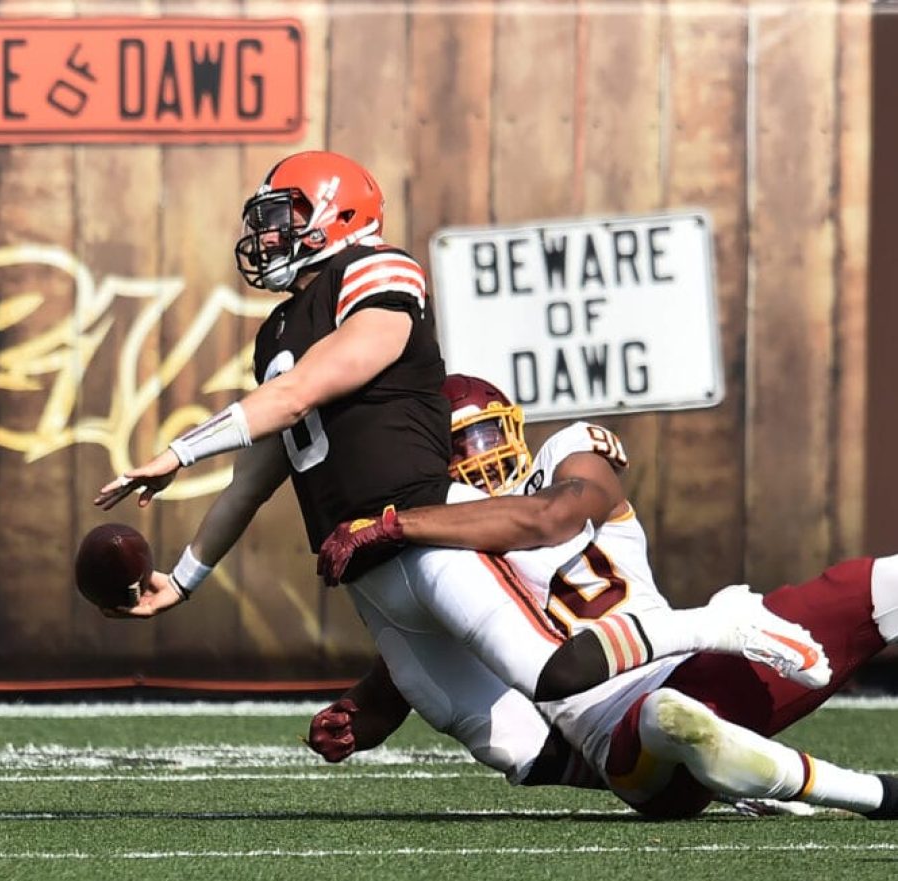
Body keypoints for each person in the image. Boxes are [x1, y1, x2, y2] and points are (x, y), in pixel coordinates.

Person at [95, 150, 825, 713]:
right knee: (511, 748)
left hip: (424, 526)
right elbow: (258, 472)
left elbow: (302, 394)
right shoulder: (280, 327)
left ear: (337, 216)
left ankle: (718, 622)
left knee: (547, 672)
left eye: (282, 214)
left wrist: (176, 452)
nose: (265, 233)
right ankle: (696, 771)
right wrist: (183, 582)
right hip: (358, 566)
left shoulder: (378, 272)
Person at [308, 373, 898, 820]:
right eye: (457, 449)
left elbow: (551, 517)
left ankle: (735, 769)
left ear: (514, 427)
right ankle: (876, 795)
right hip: (618, 731)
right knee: (670, 720)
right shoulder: (443, 557)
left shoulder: (565, 461)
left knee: (879, 584)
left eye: (484, 436)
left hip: (693, 664)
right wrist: (360, 713)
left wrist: (397, 525)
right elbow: (412, 670)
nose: (477, 458)